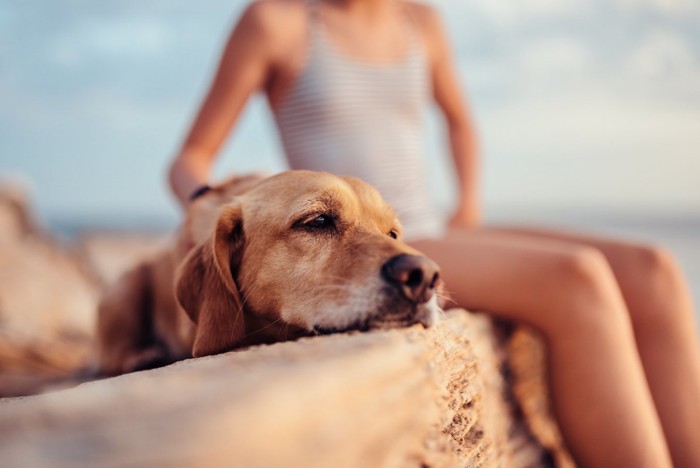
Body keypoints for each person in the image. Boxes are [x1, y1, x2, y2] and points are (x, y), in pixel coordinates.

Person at [168, 0, 700, 466]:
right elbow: (190, 158)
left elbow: (461, 121)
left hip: (421, 223)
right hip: (358, 242)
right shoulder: (276, 21)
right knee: (578, 278)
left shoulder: (423, 21)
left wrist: (468, 206)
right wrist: (207, 206)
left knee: (653, 268)